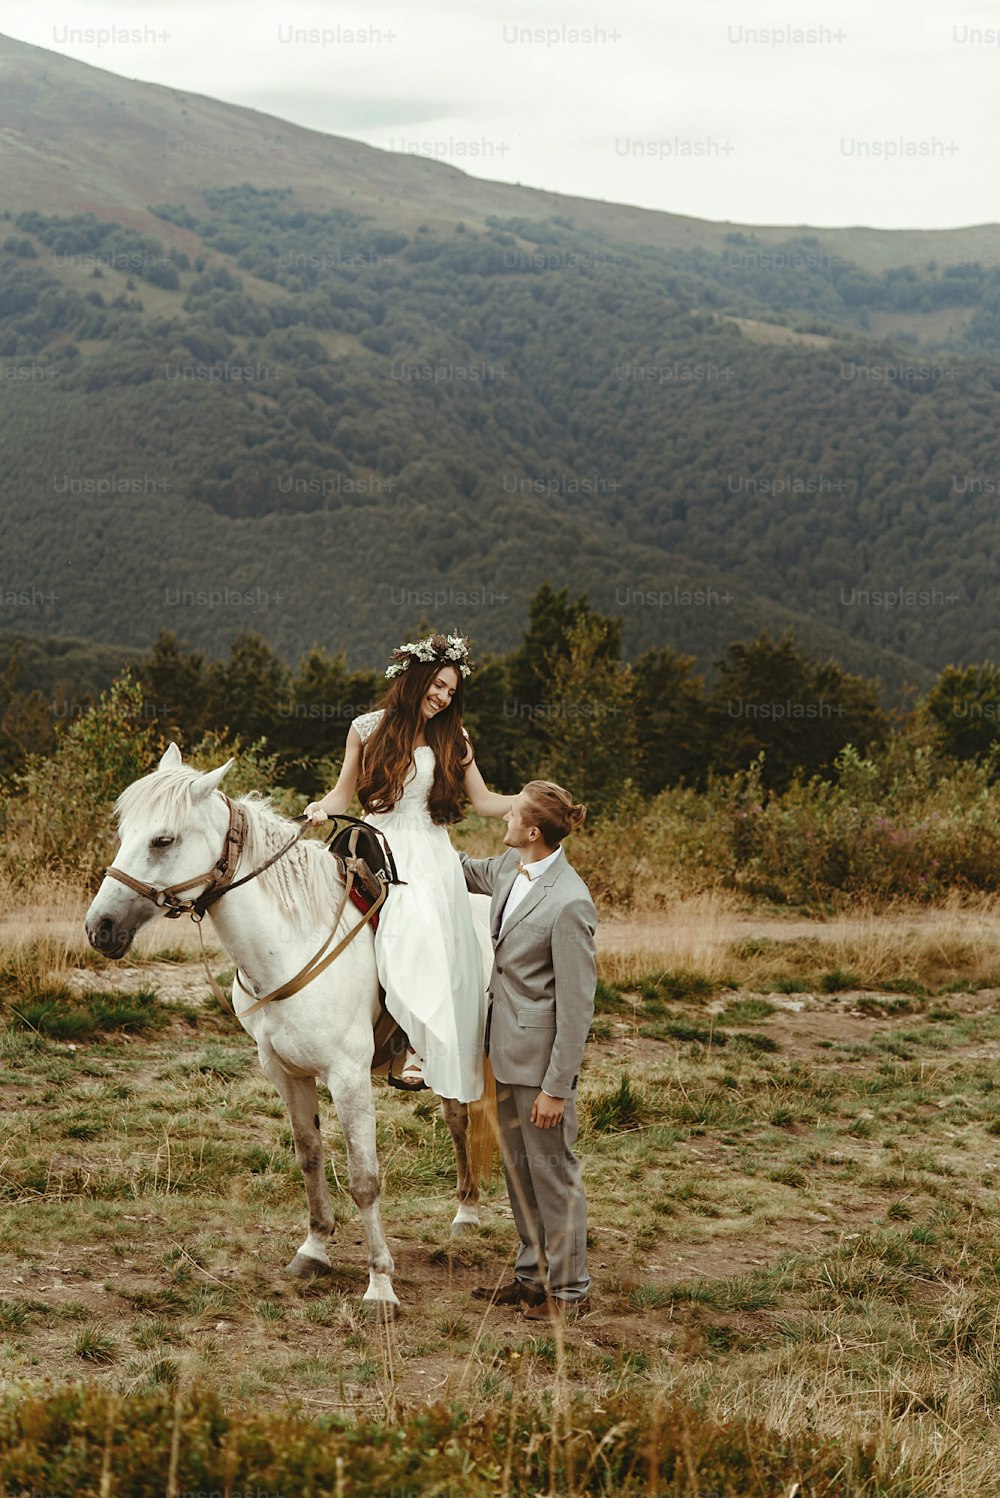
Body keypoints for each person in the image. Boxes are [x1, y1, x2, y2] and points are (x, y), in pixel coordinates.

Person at [303, 633, 511, 1100]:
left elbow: (483, 801)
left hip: (429, 851)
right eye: (437, 685)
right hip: (374, 841)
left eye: (451, 692)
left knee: (418, 921)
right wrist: (321, 807)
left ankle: (415, 1044)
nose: (442, 698)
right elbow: (342, 794)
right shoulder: (365, 727)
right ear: (415, 679)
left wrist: (531, 801)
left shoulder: (453, 737)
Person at [459, 780, 597, 1321]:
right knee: (520, 1172)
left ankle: (569, 1292)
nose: (503, 818)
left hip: (541, 1069)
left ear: (533, 831)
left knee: (553, 1176)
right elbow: (461, 870)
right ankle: (531, 1276)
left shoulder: (569, 902)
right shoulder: (506, 870)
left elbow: (577, 1007)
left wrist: (555, 1089)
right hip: (503, 1052)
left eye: (512, 813)